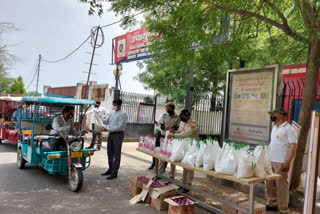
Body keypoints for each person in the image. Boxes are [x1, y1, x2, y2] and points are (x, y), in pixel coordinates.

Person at [266, 108, 297, 214]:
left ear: (281, 115)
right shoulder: (274, 127)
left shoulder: (289, 129)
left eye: (273, 114)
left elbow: (293, 148)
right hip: (271, 160)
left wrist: (288, 162)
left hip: (281, 162)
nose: (272, 116)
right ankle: (272, 204)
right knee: (270, 184)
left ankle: (283, 209)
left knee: (281, 186)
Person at [167, 109, 199, 193]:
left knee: (190, 166)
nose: (182, 119)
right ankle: (184, 183)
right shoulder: (182, 122)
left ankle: (188, 185)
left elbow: (187, 133)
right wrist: (174, 131)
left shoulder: (194, 123)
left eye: (183, 117)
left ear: (188, 115)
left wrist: (174, 135)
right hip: (184, 146)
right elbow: (180, 131)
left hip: (192, 146)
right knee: (184, 165)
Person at [149, 102, 180, 174]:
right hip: (163, 137)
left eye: (169, 109)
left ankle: (172, 174)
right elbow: (161, 125)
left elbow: (178, 127)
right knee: (162, 155)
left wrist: (174, 127)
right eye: (166, 109)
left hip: (172, 139)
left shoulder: (177, 118)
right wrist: (164, 128)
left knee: (172, 156)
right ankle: (160, 172)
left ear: (173, 109)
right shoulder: (164, 115)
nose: (167, 110)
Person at [101, 99, 128, 180]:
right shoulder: (112, 112)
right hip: (111, 134)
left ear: (119, 105)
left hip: (118, 134)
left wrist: (109, 129)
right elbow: (106, 122)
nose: (113, 106)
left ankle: (114, 172)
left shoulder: (123, 114)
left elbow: (120, 126)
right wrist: (101, 117)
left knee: (116, 154)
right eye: (113, 105)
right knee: (109, 152)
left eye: (115, 105)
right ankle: (110, 169)